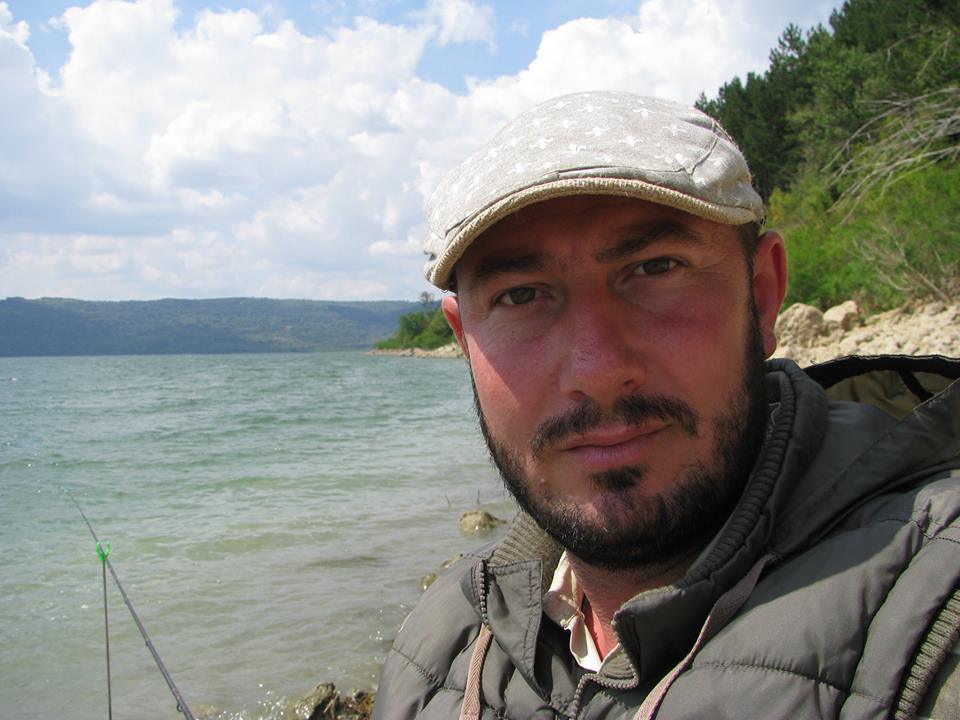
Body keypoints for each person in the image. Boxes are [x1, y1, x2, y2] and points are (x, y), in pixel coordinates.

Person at [373, 91, 960, 719]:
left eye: (655, 268)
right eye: (520, 296)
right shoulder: (439, 648)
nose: (598, 371)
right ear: (465, 339)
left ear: (762, 295)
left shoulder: (931, 604)